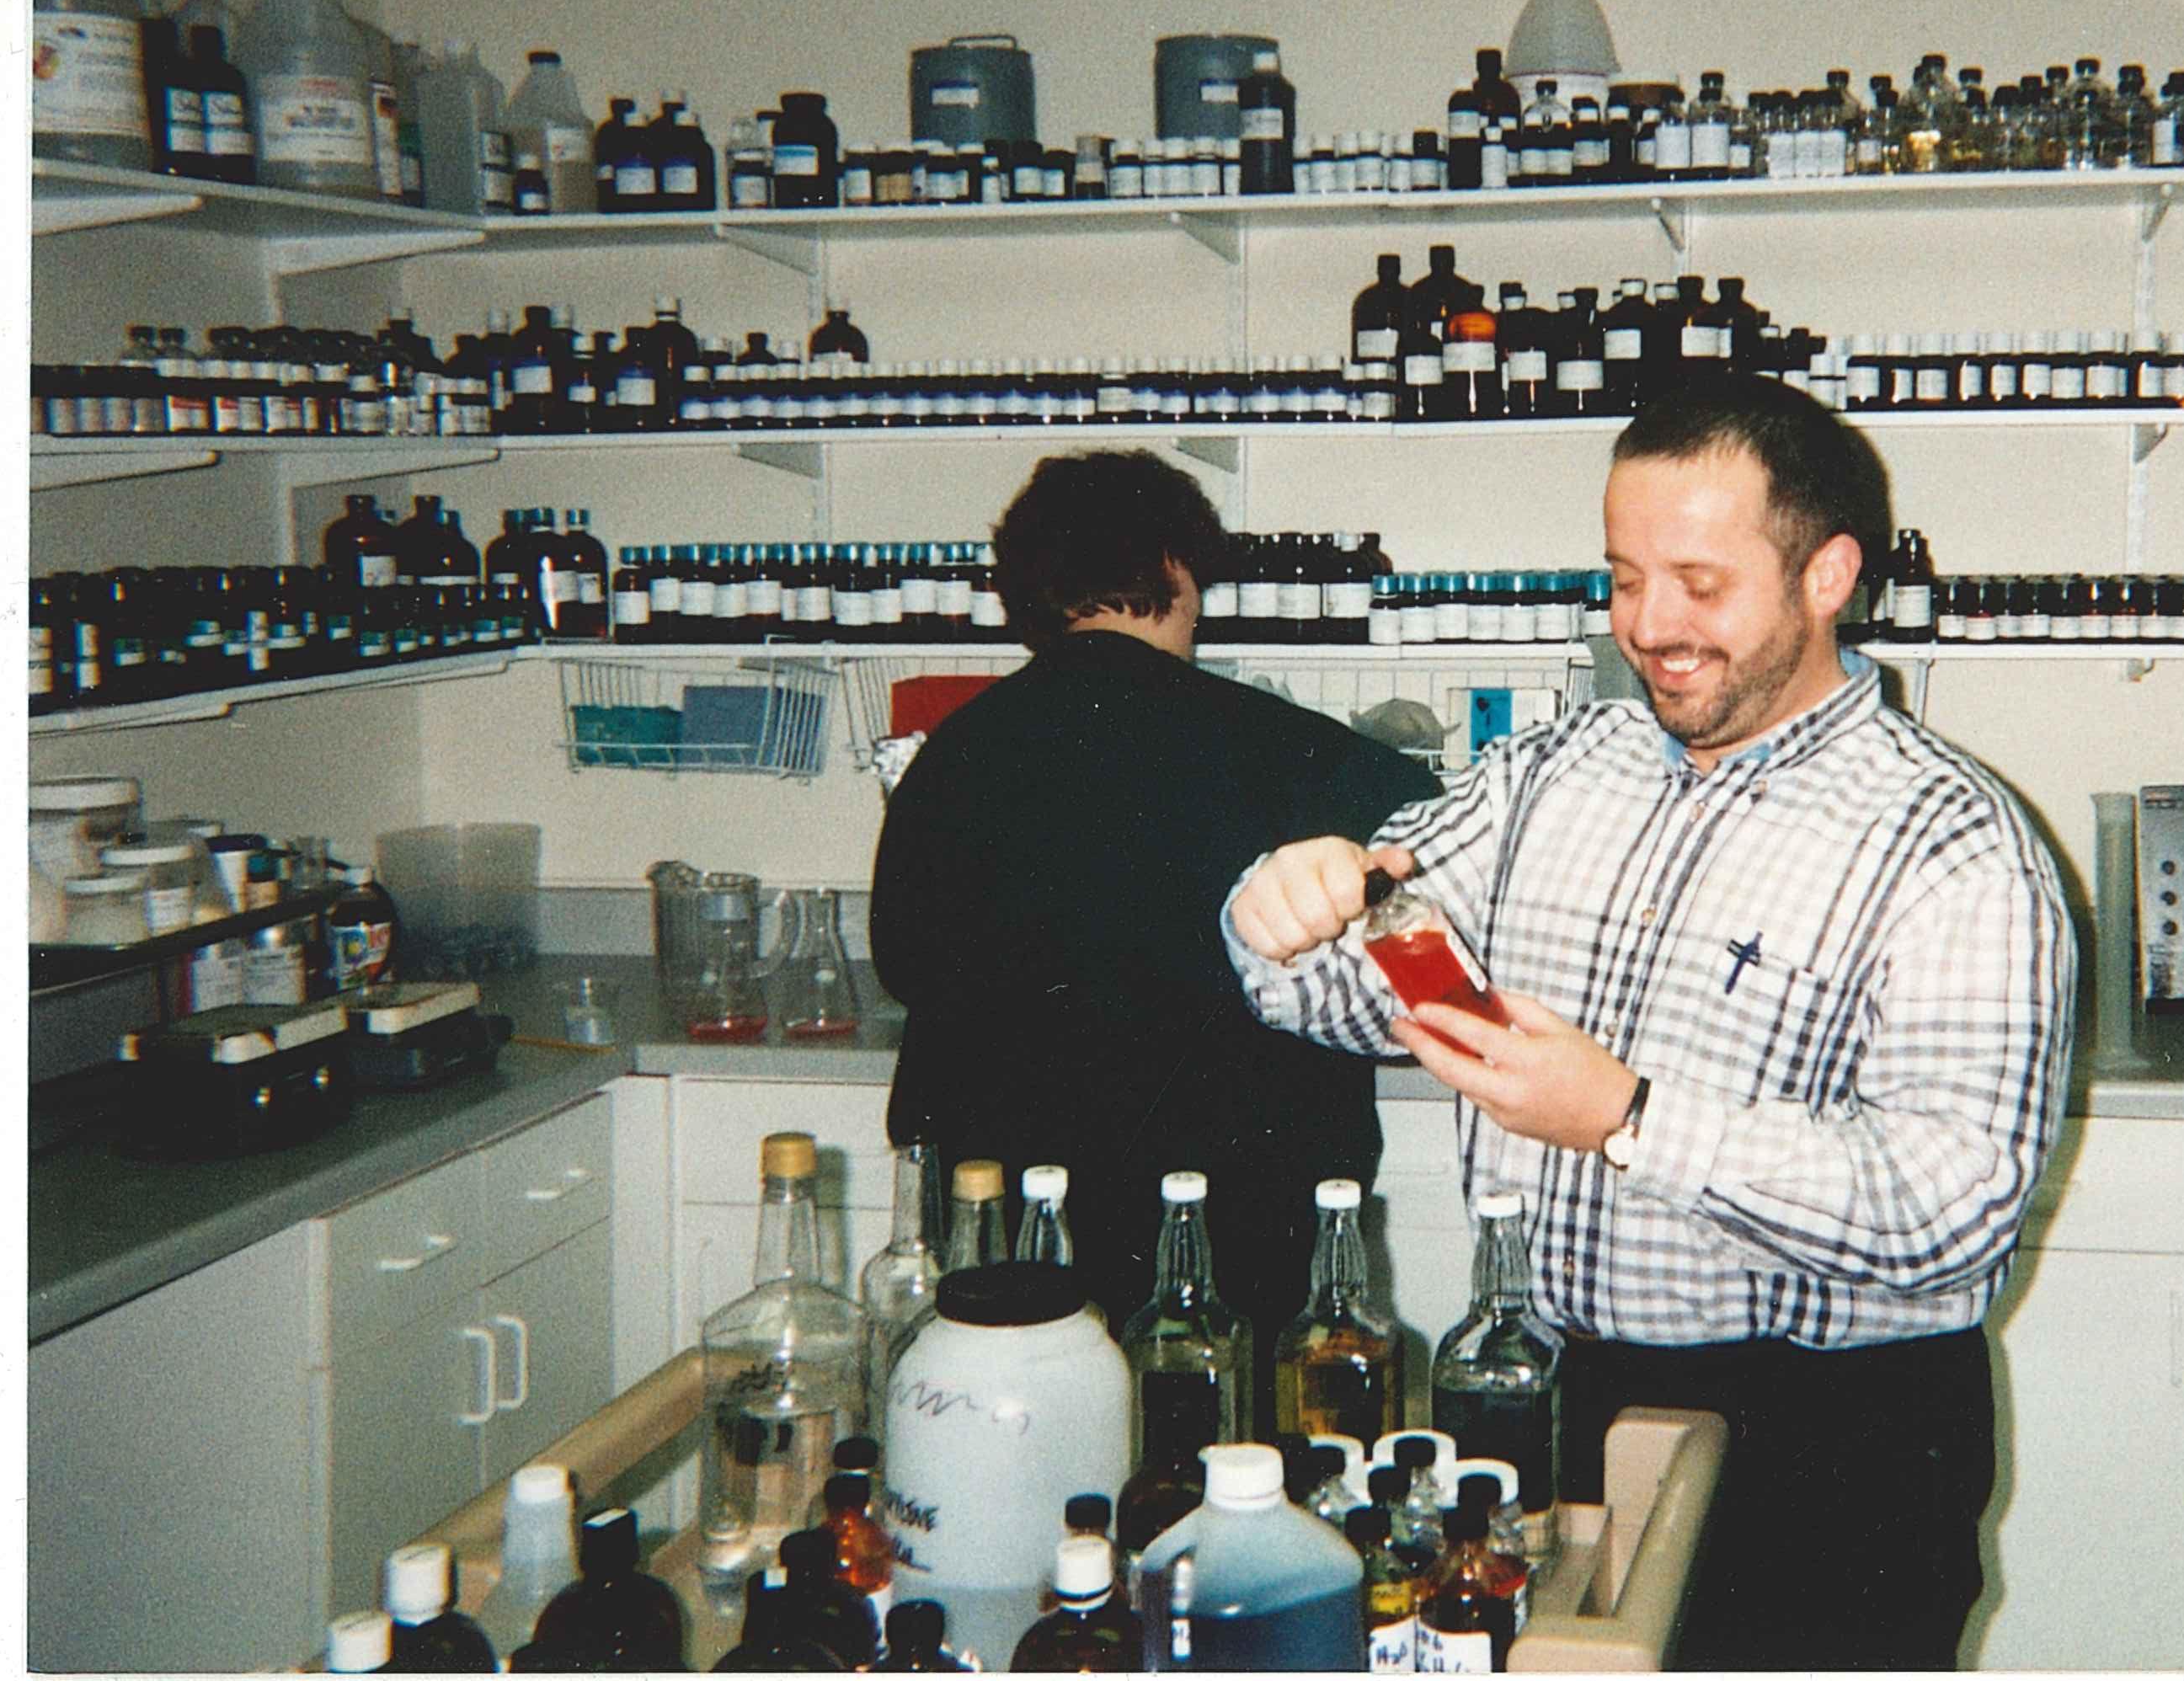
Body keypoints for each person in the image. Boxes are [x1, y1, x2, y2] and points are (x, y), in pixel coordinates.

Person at [1224, 377, 2073, 1671]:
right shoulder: (1553, 772)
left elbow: (1952, 1209)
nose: (1650, 628)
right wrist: (1277, 909)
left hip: (1834, 1448)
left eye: (1699, 581)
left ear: (1828, 574)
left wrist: (1629, 1121)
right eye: (1624, 578)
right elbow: (1353, 989)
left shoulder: (1953, 842)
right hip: (1556, 1402)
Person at [872, 450, 1437, 1401]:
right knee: (1248, 1475)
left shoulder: (952, 755)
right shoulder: (1285, 746)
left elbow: (902, 962)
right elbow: (1439, 889)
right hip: (1241, 1229)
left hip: (1013, 1231)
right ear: (1178, 571)